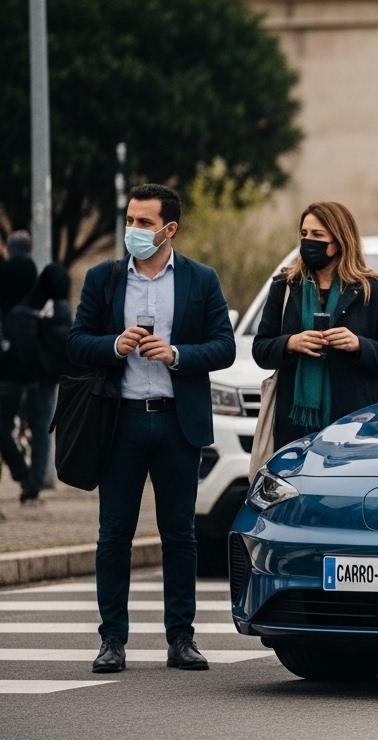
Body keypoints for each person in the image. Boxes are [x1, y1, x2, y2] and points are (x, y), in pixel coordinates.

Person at [68, 183, 236, 673]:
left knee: (180, 535)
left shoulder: (200, 279)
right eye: (130, 220)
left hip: (176, 423)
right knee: (113, 535)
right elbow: (76, 342)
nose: (134, 230)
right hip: (120, 422)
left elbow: (224, 347)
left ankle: (181, 639)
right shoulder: (104, 278)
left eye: (144, 223)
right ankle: (112, 640)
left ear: (169, 229)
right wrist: (113, 345)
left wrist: (177, 354)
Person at [252, 201, 378, 451]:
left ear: (339, 240)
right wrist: (290, 343)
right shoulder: (285, 285)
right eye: (304, 234)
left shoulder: (372, 288)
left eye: (317, 235)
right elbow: (261, 350)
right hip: (294, 426)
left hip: (357, 423)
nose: (308, 241)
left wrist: (358, 345)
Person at [1, 262, 73, 504]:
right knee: (40, 428)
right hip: (43, 377)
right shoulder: (59, 309)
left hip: (23, 376)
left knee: (23, 427)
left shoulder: (27, 305)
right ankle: (33, 480)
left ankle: (28, 477)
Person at [0, 230, 38, 490]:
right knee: (25, 425)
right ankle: (26, 477)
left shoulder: (6, 274)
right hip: (27, 368)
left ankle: (20, 469)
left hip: (6, 366)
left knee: (4, 427)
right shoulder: (34, 276)